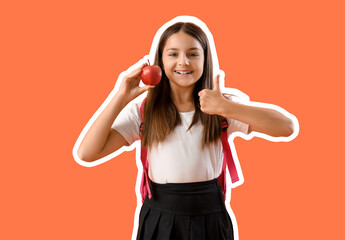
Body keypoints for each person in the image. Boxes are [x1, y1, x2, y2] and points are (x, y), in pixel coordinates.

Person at [76, 16, 296, 240]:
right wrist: (120, 96)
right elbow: (87, 153)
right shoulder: (144, 111)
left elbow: (287, 127)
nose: (183, 62)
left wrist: (225, 106)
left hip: (210, 219)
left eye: (193, 54)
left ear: (205, 59)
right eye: (173, 54)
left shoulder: (223, 105)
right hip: (159, 219)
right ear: (159, 61)